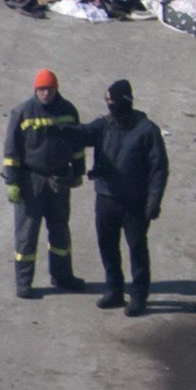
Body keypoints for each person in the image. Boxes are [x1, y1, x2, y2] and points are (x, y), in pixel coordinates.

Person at [81, 80, 169, 316]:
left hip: (135, 203)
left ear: (126, 101)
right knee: (107, 245)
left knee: (137, 248)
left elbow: (159, 169)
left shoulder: (147, 130)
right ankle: (115, 290)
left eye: (114, 102)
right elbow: (82, 134)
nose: (111, 107)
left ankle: (139, 295)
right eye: (107, 102)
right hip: (106, 198)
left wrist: (153, 201)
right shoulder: (104, 126)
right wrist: (58, 129)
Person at [2, 69, 89, 298]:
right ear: (35, 90)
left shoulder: (69, 111)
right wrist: (12, 180)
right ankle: (24, 283)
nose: (46, 93)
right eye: (42, 89)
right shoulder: (23, 112)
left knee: (60, 232)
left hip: (59, 180)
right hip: (31, 182)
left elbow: (77, 144)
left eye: (49, 89)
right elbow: (11, 150)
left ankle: (62, 276)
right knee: (27, 235)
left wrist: (78, 171)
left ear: (56, 88)